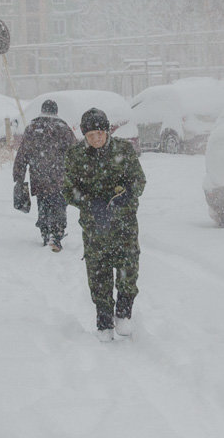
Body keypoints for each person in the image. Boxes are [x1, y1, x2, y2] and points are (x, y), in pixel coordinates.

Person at [63, 108, 146, 342]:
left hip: (124, 224)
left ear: (107, 131)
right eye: (91, 135)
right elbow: (68, 189)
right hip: (95, 226)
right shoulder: (76, 156)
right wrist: (89, 202)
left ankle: (124, 312)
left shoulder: (124, 150)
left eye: (100, 133)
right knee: (98, 274)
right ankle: (104, 320)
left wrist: (127, 195)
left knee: (128, 268)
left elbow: (139, 180)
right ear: (84, 136)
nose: (96, 139)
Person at [12, 99, 76, 252]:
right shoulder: (64, 129)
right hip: (60, 178)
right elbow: (75, 154)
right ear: (56, 111)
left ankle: (45, 232)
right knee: (59, 205)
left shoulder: (32, 128)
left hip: (39, 177)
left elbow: (22, 154)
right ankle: (56, 234)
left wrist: (18, 176)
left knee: (44, 205)